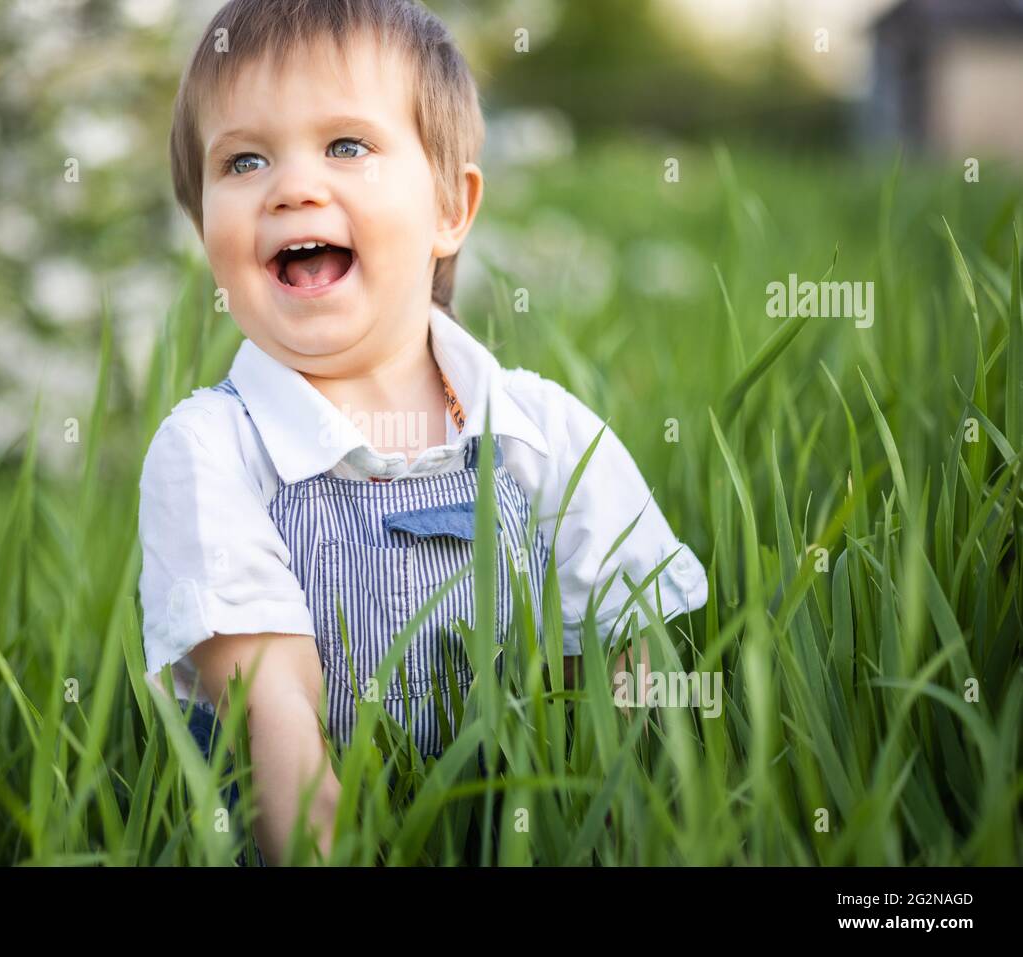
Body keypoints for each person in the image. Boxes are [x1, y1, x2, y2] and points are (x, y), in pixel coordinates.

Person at [140, 0, 709, 866]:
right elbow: (273, 706)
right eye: (244, 159)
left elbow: (625, 680)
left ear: (451, 205)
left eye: (346, 146)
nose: (292, 186)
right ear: (204, 228)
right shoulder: (213, 450)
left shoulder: (543, 433)